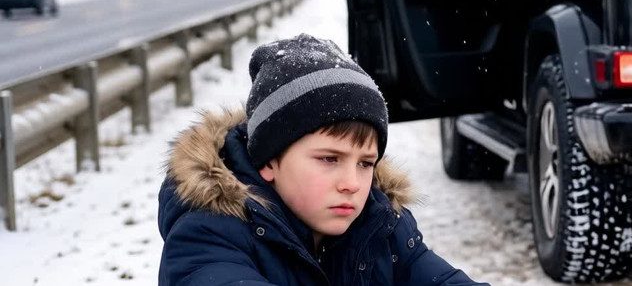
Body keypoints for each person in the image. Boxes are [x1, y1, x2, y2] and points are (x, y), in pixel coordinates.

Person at [157, 33, 487, 285]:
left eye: (365, 163)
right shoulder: (207, 237)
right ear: (268, 161)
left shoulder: (381, 224)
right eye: (329, 159)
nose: (352, 184)